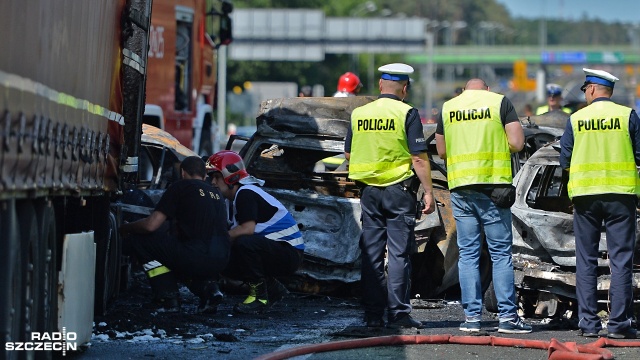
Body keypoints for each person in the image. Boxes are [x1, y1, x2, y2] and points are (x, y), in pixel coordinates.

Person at [435, 79, 531, 334]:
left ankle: (472, 319)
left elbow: (442, 150)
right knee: (500, 254)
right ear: (487, 90)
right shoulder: (499, 102)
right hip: (493, 188)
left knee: (468, 254)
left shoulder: (448, 107)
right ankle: (508, 318)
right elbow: (518, 143)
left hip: (461, 188)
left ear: (465, 90)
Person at [345, 63, 436, 329]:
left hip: (369, 193)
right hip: (399, 192)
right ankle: (398, 314)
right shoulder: (407, 112)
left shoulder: (359, 113)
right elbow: (418, 158)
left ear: (380, 85)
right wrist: (429, 192)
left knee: (371, 253)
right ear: (404, 89)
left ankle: (373, 316)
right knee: (398, 254)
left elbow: (349, 154)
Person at [559, 68, 640, 339]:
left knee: (586, 261)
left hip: (585, 198)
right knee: (621, 261)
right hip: (621, 197)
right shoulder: (627, 115)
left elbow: (565, 162)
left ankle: (589, 324)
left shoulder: (576, 119)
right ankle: (618, 325)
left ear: (591, 89)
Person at [119, 156, 230, 313]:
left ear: (183, 172)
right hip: (222, 259)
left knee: (141, 240)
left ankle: (167, 298)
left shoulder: (181, 187)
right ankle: (209, 290)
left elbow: (151, 226)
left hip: (195, 256)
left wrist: (126, 227)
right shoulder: (217, 194)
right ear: (205, 175)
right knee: (181, 254)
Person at [206, 150, 305, 314]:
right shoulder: (234, 198)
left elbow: (247, 229)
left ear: (229, 177)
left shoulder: (246, 193)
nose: (213, 183)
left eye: (216, 177)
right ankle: (273, 290)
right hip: (280, 251)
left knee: (243, 243)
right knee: (224, 259)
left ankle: (259, 298)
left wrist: (218, 240)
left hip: (289, 253)